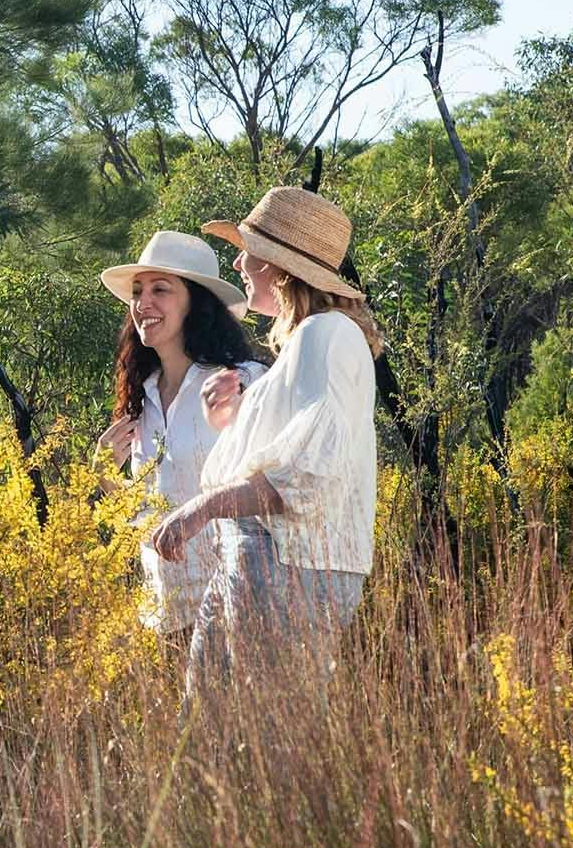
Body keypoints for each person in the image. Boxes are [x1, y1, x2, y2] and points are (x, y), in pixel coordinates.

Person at [147, 187, 382, 698]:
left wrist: (201, 509)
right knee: (215, 730)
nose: (237, 260)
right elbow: (289, 459)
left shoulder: (326, 335)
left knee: (261, 734)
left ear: (279, 267)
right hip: (266, 566)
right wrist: (229, 422)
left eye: (248, 250)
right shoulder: (310, 340)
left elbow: (305, 477)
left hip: (289, 571)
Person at [96, 232, 265, 645]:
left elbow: (272, 490)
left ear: (197, 303)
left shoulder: (240, 381)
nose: (142, 303)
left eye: (160, 290)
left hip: (234, 609)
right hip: (164, 617)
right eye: (138, 291)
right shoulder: (142, 397)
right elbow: (145, 518)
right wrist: (104, 474)